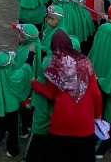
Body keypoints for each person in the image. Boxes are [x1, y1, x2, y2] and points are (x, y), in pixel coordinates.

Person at [30, 29, 100, 160]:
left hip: (62, 120)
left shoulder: (54, 66)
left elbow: (51, 94)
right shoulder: (85, 63)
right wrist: (97, 116)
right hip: (84, 122)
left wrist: (34, 84)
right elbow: (96, 94)